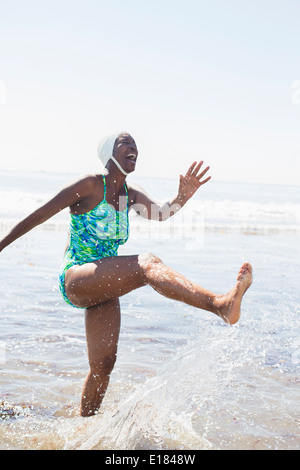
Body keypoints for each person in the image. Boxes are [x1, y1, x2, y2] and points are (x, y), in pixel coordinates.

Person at [0, 131, 253, 417]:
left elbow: (161, 213)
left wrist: (181, 197)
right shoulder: (90, 185)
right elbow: (40, 214)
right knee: (147, 263)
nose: (133, 147)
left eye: (135, 144)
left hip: (105, 279)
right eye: (125, 142)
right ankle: (219, 304)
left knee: (103, 364)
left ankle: (85, 429)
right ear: (109, 152)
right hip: (77, 276)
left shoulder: (128, 195)